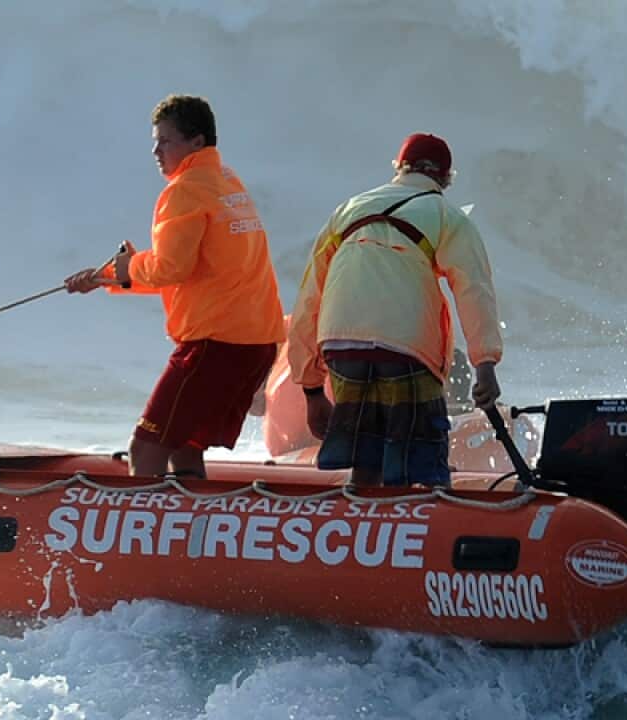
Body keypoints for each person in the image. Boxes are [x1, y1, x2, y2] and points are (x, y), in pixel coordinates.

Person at [63, 94, 285, 479]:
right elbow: (196, 270)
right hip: (256, 343)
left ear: (196, 142)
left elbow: (171, 267)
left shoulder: (184, 190)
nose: (155, 150)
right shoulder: (227, 182)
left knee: (146, 447)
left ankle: (140, 537)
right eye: (155, 141)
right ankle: (193, 533)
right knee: (184, 448)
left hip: (215, 344)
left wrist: (123, 267)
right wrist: (111, 276)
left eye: (166, 141)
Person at [286, 133, 504, 487]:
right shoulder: (447, 216)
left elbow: (310, 297)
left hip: (340, 341)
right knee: (419, 468)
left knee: (364, 461)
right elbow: (474, 290)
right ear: (446, 178)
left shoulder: (348, 210)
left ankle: (361, 529)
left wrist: (311, 390)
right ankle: (420, 532)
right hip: (406, 346)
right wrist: (485, 363)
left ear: (399, 168)